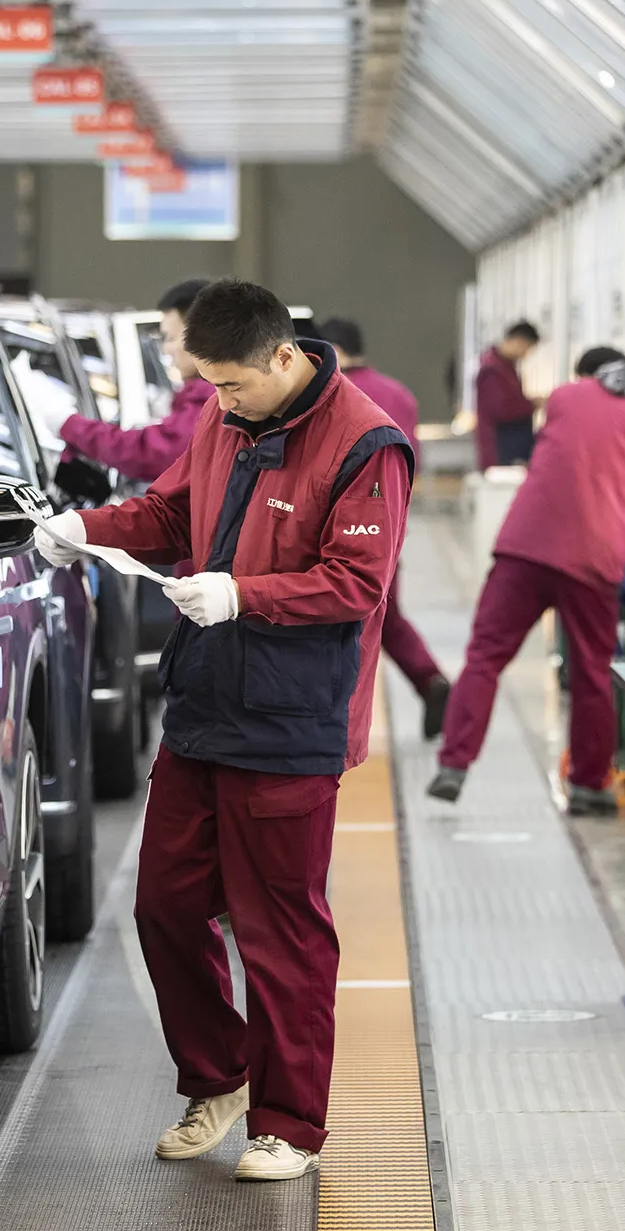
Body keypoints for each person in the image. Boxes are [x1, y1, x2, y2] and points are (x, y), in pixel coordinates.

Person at [35, 282, 412, 1183]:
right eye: (210, 386)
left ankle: (289, 1123)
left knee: (278, 929)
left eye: (234, 386)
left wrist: (247, 593)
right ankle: (220, 1076)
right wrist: (84, 525)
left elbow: (357, 580)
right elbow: (170, 514)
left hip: (292, 721)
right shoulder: (221, 416)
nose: (221, 401)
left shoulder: (366, 444)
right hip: (203, 707)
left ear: (284, 357)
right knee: (163, 906)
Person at [427, 352, 625, 815]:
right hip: (593, 559)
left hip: (525, 544)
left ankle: (454, 764)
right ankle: (588, 785)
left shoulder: (568, 397)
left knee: (485, 656)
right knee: (591, 671)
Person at [320, 316, 451, 737]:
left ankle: (341, 719)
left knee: (347, 620)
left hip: (336, 526)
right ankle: (429, 680)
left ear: (334, 351)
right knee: (384, 608)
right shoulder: (400, 394)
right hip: (390, 522)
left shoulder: (330, 394)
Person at [55, 279, 214, 482]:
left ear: (203, 336)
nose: (166, 349)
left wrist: (69, 424)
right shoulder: (205, 397)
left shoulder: (212, 400)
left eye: (171, 338)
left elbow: (153, 453)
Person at [473, 320, 539, 469]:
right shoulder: (492, 370)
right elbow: (501, 410)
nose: (526, 355)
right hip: (501, 447)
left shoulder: (506, 367)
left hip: (509, 444)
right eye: (527, 348)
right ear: (518, 341)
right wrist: (531, 404)